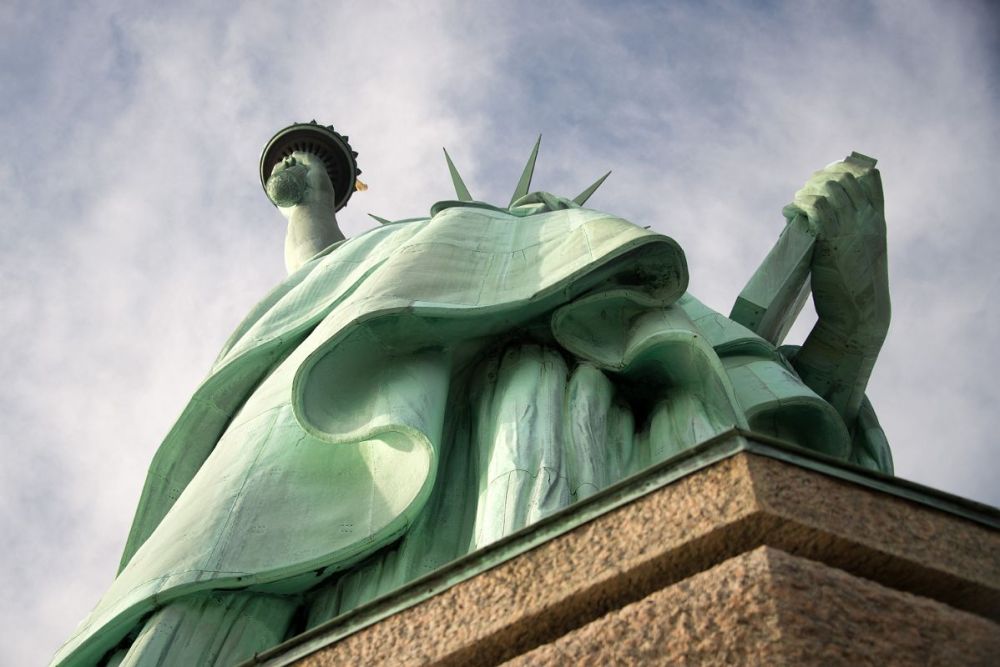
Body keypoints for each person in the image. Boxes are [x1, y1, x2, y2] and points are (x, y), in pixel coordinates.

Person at [53, 135, 891, 667]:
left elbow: (795, 416)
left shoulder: (650, 315)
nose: (522, 222)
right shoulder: (409, 260)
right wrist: (307, 206)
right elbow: (321, 287)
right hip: (369, 477)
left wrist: (856, 299)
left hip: (607, 456)